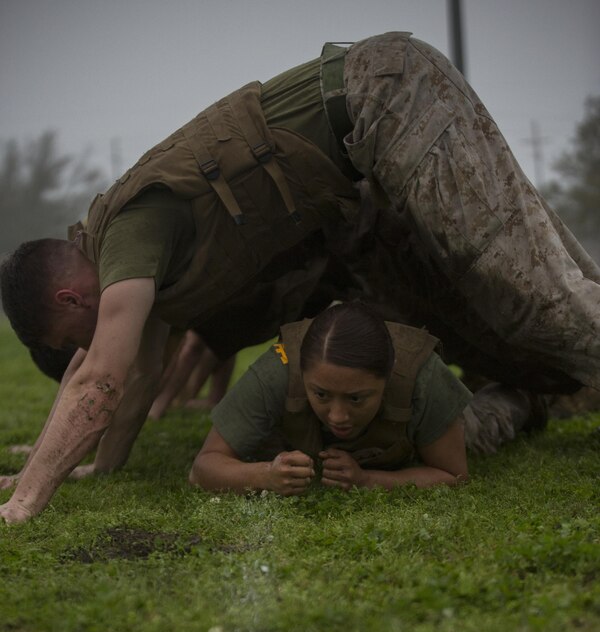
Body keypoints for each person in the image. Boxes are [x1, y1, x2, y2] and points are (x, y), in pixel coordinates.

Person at [1, 31, 599, 523]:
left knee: (533, 295)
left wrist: (23, 502)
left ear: (68, 296)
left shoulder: (125, 236)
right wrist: (98, 468)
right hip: (374, 140)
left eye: (71, 338)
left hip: (388, 98)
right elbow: (138, 378)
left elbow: (102, 379)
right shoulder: (130, 255)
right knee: (539, 291)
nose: (87, 347)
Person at [190, 301, 546, 495]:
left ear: (387, 381)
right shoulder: (276, 372)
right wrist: (266, 475)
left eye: (357, 398)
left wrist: (367, 480)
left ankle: (524, 395)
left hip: (415, 436)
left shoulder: (422, 378)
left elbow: (453, 476)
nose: (338, 415)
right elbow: (204, 468)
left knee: (485, 425)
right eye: (322, 394)